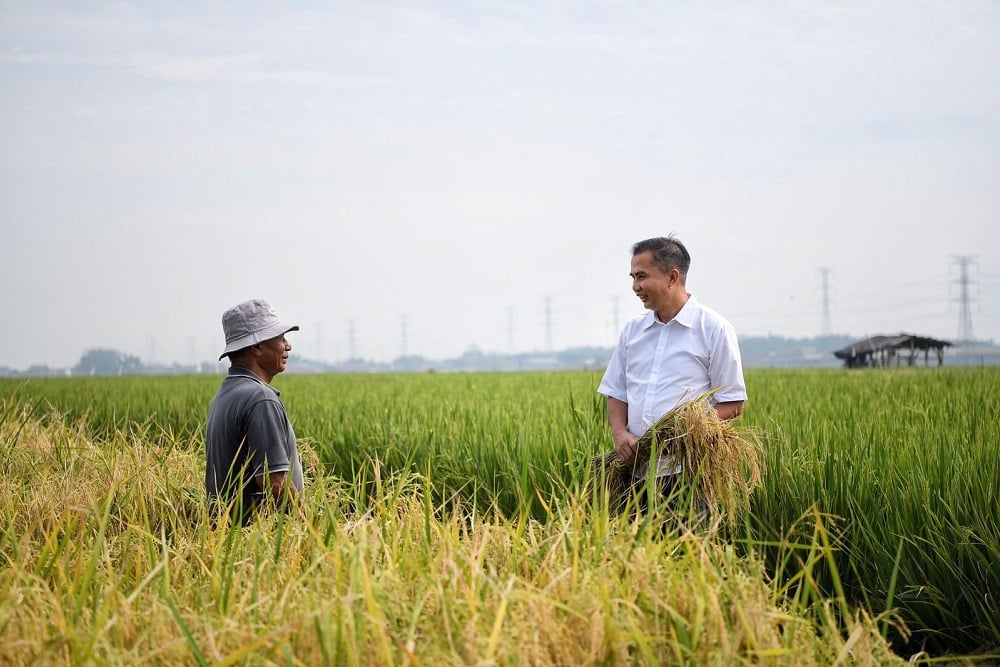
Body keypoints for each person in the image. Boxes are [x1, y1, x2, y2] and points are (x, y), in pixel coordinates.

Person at [597, 235, 747, 515]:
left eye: (641, 277)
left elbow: (733, 403)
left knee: (686, 553)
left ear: (672, 277)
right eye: (632, 277)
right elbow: (617, 392)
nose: (635, 287)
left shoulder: (713, 329)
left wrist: (680, 434)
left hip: (689, 473)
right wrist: (620, 434)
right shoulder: (633, 331)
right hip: (635, 472)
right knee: (633, 555)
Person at [205, 299, 303, 525]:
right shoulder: (261, 399)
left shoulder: (224, 395)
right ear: (257, 346)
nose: (288, 346)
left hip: (227, 539)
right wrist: (308, 531)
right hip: (257, 544)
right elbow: (275, 484)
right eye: (280, 339)